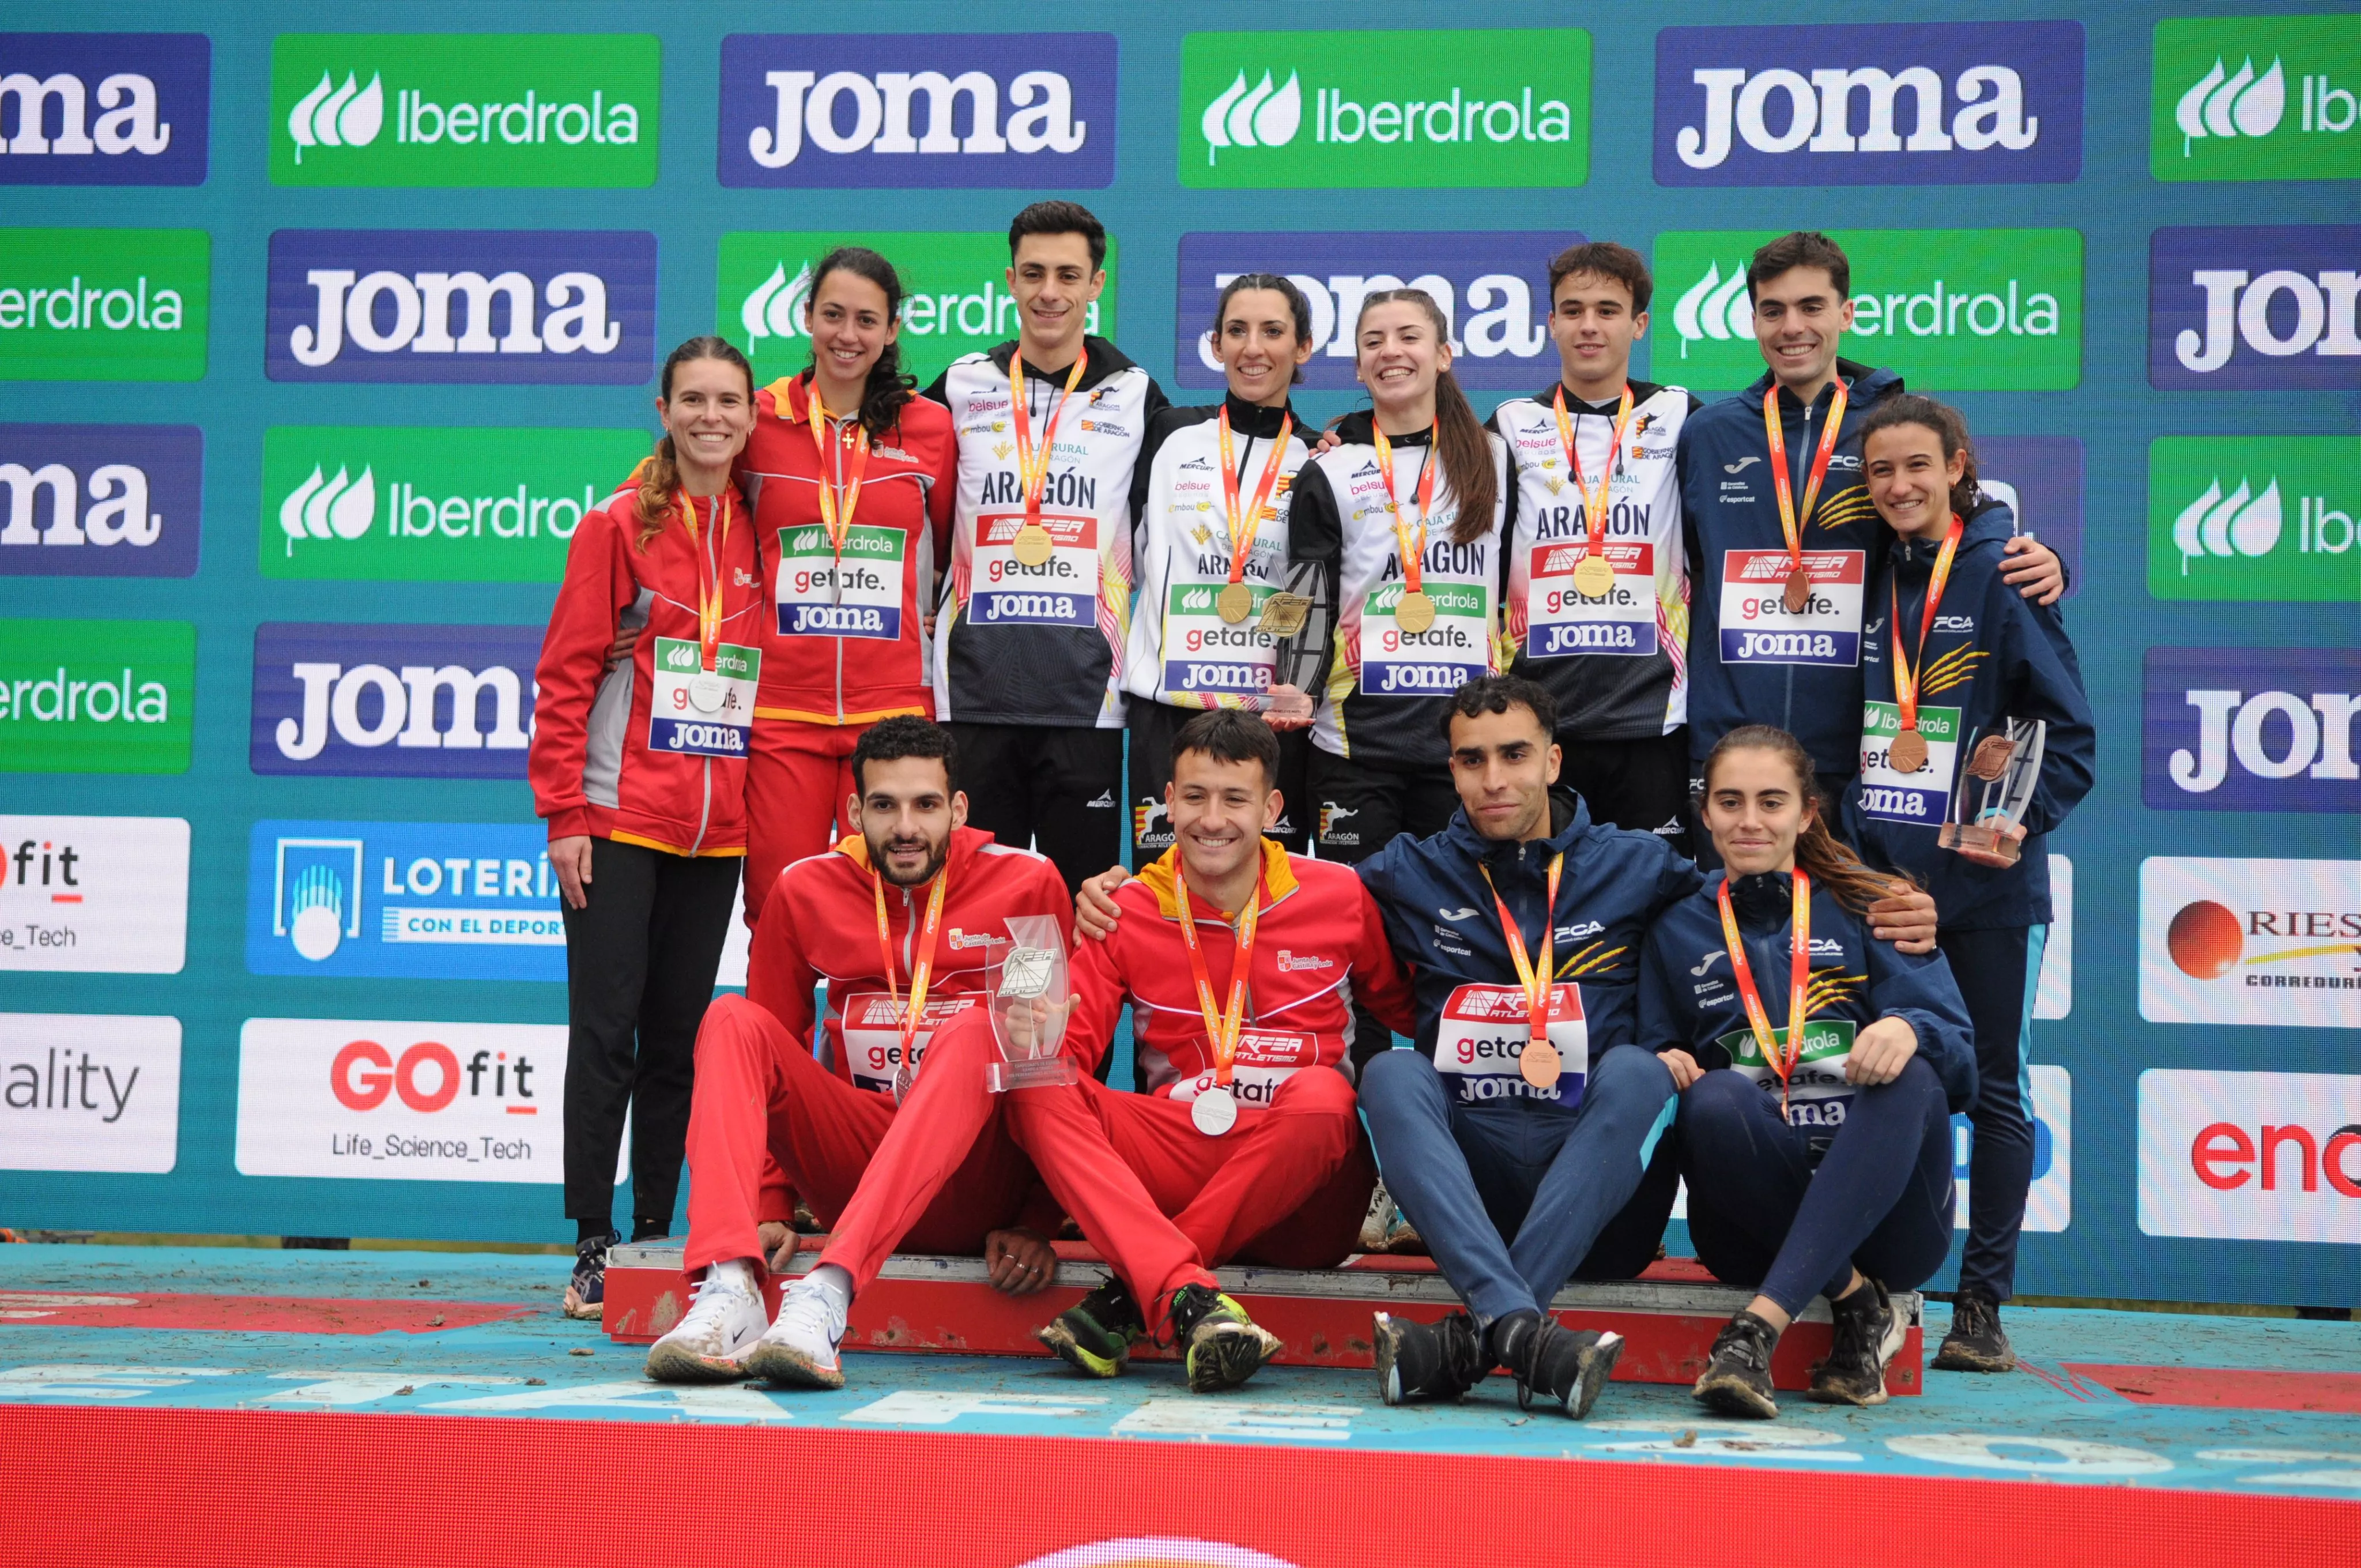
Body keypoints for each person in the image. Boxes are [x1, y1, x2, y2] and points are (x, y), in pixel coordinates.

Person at [1077, 677, 1942, 1418]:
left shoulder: (1637, 865)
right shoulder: (1404, 872)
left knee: (1641, 1070)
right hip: (1476, 1199)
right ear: (1449, 769)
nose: (1494, 779)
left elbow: (1756, 877)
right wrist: (1129, 884)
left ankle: (1473, 1335)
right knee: (1391, 1069)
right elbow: (1270, 879)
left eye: (1514, 755)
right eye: (1471, 759)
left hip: (1604, 1210)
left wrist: (1876, 897)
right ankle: (1518, 1330)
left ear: (1553, 761)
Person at [640, 717, 1071, 1383]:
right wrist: (771, 1202)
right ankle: (729, 1285)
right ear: (853, 812)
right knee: (731, 1018)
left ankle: (827, 1296)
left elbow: (1046, 1062)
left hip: (976, 1178)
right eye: (884, 805)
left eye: (925, 804)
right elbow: (770, 1048)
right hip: (859, 1162)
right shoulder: (806, 888)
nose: (905, 827)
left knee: (977, 1030)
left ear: (958, 808)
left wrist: (1039, 1217)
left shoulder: (1026, 884)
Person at [1016, 710, 1415, 1392]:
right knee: (1035, 1077)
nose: (1212, 819)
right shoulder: (1123, 908)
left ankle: (1134, 1289)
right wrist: (1028, 1219)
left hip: (1307, 1195)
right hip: (1175, 1164)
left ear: (1272, 807)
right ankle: (1185, 1291)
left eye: (1235, 798)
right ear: (1166, 800)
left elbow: (1412, 1012)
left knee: (1325, 1095)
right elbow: (1067, 1059)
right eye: (1194, 796)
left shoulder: (1340, 895)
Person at [1843, 396, 2095, 1374]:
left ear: (1959, 468)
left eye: (1917, 467)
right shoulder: (1862, 577)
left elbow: (2066, 734)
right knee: (1870, 1074)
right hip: (1878, 883)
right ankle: (1870, 1284)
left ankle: (1981, 1306)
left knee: (1994, 1089)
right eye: (1879, 472)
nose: (1899, 487)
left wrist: (2015, 824)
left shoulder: (2001, 573)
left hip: (1983, 889)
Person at [1675, 232, 2064, 834]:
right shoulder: (1710, 434)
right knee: (1732, 924)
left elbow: (1958, 517)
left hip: (1855, 758)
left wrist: (2051, 560)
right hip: (1731, 754)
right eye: (1772, 310)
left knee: (1841, 926)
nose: (1791, 327)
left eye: (1811, 306)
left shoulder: (1887, 424)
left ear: (1845, 313)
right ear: (1751, 319)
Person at [1646, 725, 1978, 1418]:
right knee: (1711, 1097)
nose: (1749, 820)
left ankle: (1756, 1330)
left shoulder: (1870, 902)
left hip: (1889, 1223)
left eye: (1771, 801)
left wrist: (1907, 1026)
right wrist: (1660, 1060)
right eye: (1730, 802)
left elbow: (1959, 1057)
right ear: (1704, 813)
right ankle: (1859, 1305)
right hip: (1746, 1226)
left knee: (1911, 1074)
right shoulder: (1675, 925)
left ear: (1807, 812)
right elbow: (1657, 1044)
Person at [530, 337, 763, 1317]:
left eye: (731, 402)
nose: (713, 417)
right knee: (607, 1032)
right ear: (662, 410)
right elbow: (566, 674)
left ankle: (661, 1235)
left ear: (755, 417)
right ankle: (592, 1241)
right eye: (694, 400)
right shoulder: (615, 526)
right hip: (620, 818)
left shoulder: (772, 527)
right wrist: (564, 814)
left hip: (720, 833)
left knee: (680, 1039)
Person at [1287, 286, 1508, 1068]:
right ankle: (1374, 1126)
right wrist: (1294, 684)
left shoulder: (1495, 456)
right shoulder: (1333, 467)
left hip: (1468, 748)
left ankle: (1460, 1115)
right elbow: (1306, 598)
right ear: (1358, 362)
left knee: (1464, 933)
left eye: (1409, 336)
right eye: (1374, 339)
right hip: (1356, 745)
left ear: (1444, 355)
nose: (1391, 351)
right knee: (1363, 938)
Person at [926, 201, 1169, 894]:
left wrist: (1319, 444)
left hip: (1086, 701)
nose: (1049, 292)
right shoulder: (962, 384)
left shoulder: (1136, 393)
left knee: (1076, 911)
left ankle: (1064, 1012)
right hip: (972, 697)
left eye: (1069, 274)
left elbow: (1217, 474)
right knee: (975, 912)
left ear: (1097, 283)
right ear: (1009, 279)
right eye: (1033, 273)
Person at [734, 246, 959, 920]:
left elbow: (950, 551)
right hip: (783, 710)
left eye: (867, 319)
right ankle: (774, 1032)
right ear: (806, 317)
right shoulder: (757, 418)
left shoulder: (929, 427)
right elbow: (663, 499)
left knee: (893, 906)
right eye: (832, 314)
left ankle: (886, 1031)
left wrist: (934, 611)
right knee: (778, 907)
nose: (847, 335)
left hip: (891, 708)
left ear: (892, 329)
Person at [1492, 242, 1700, 850]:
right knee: (1541, 897)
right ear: (1550, 322)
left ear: (1638, 323)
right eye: (1573, 309)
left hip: (1652, 716)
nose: (1589, 325)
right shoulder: (1507, 426)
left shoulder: (1680, 415)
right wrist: (1339, 437)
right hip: (1540, 718)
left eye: (1608, 310)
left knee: (1652, 900)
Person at [1122, 274, 1325, 861]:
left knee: (1265, 898)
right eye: (1236, 331)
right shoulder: (1167, 432)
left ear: (1303, 347)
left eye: (1272, 331)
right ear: (1215, 344)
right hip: (1168, 709)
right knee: (1159, 891)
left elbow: (1311, 588)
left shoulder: (1321, 456)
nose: (1252, 348)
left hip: (1269, 717)